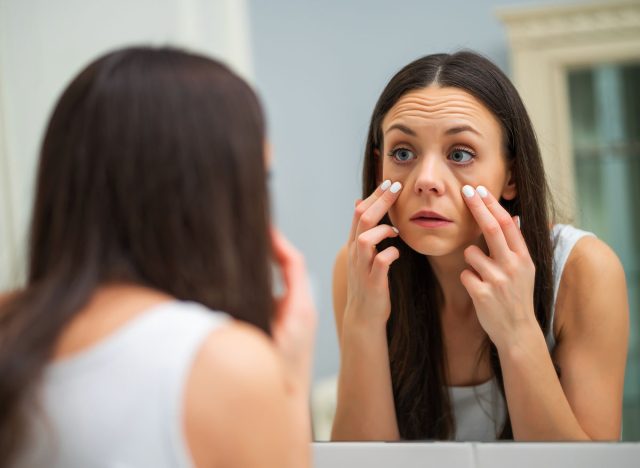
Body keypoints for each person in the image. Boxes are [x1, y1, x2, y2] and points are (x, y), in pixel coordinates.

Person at [0, 46, 316, 467]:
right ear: (218, 190)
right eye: (261, 177)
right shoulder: (226, 366)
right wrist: (289, 376)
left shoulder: (10, 327)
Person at [331, 51, 629, 441]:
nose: (427, 180)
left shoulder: (582, 270)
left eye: (460, 154)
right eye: (402, 153)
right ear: (379, 168)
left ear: (512, 176)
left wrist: (518, 331)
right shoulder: (361, 268)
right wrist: (363, 325)